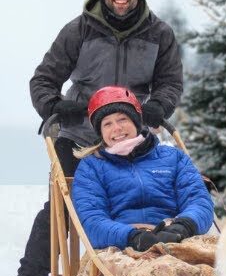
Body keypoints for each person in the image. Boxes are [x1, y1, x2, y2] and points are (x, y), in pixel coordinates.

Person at [6, 0, 183, 276]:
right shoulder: (79, 29)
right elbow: (43, 79)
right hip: (80, 136)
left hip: (130, 136)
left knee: (142, 204)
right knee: (63, 211)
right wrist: (55, 106)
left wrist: (157, 108)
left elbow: (170, 83)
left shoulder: (159, 34)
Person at [71, 87, 213, 254]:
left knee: (222, 273)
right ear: (100, 132)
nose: (116, 128)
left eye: (122, 119)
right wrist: (134, 237)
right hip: (121, 247)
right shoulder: (91, 167)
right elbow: (93, 221)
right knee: (160, 275)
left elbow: (198, 201)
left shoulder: (174, 158)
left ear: (136, 122)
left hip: (177, 239)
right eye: (107, 124)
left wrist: (182, 227)